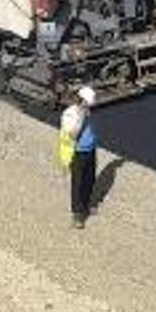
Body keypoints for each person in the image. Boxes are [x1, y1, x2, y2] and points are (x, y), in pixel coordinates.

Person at [61, 86, 99, 229]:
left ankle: (85, 206)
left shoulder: (88, 110)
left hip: (90, 149)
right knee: (78, 183)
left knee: (90, 179)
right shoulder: (70, 114)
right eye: (88, 104)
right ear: (82, 101)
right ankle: (77, 214)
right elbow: (71, 133)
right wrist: (81, 115)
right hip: (78, 152)